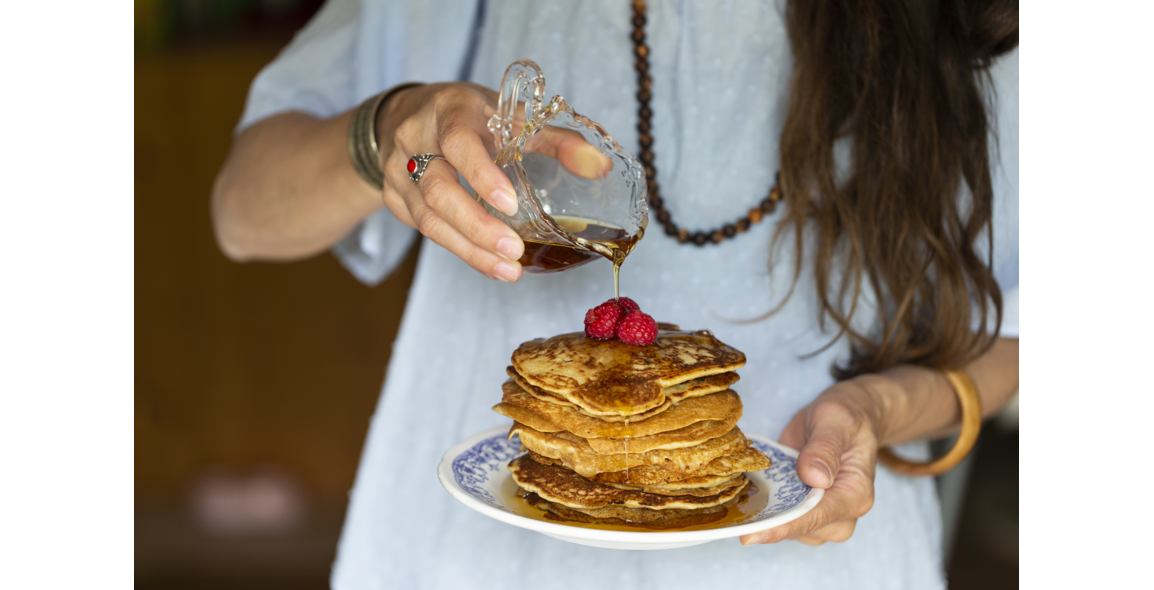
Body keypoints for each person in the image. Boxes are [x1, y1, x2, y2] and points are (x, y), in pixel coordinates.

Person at [212, 0, 1019, 588]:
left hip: (807, 555)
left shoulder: (955, 18)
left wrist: (877, 413)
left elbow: (1006, 335)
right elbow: (242, 213)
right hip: (469, 550)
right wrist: (384, 131)